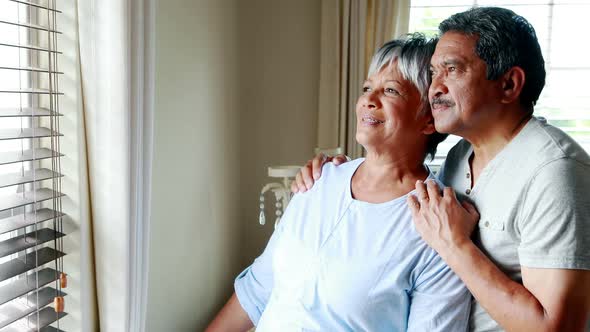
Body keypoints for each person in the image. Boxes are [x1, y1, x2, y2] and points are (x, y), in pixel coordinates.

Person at [294, 6, 590, 331]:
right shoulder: (458, 158)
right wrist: (334, 173)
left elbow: (557, 326)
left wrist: (454, 244)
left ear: (509, 84)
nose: (435, 87)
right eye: (434, 72)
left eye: (452, 69)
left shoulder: (555, 172)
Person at [206, 34, 471, 331]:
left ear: (428, 120)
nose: (368, 101)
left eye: (391, 91)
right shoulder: (319, 181)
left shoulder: (438, 225)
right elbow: (256, 293)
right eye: (367, 88)